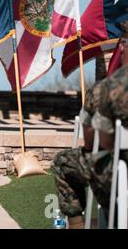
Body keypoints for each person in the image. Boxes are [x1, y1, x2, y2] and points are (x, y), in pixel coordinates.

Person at [52, 31, 128, 229]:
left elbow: (96, 140)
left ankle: (77, 225)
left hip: (117, 170)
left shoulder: (105, 88)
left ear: (122, 47)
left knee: (63, 162)